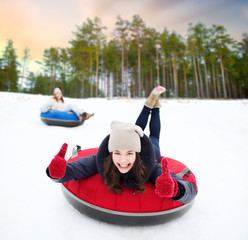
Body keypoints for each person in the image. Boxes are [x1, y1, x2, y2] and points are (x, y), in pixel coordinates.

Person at [46, 86, 196, 203]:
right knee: (138, 129)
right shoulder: (100, 160)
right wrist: (57, 173)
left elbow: (190, 190)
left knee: (154, 135)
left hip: (152, 149)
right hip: (131, 139)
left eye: (130, 153)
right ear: (110, 152)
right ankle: (152, 102)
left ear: (136, 154)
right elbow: (75, 170)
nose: (123, 160)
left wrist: (176, 190)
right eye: (117, 153)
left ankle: (155, 107)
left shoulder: (152, 167)